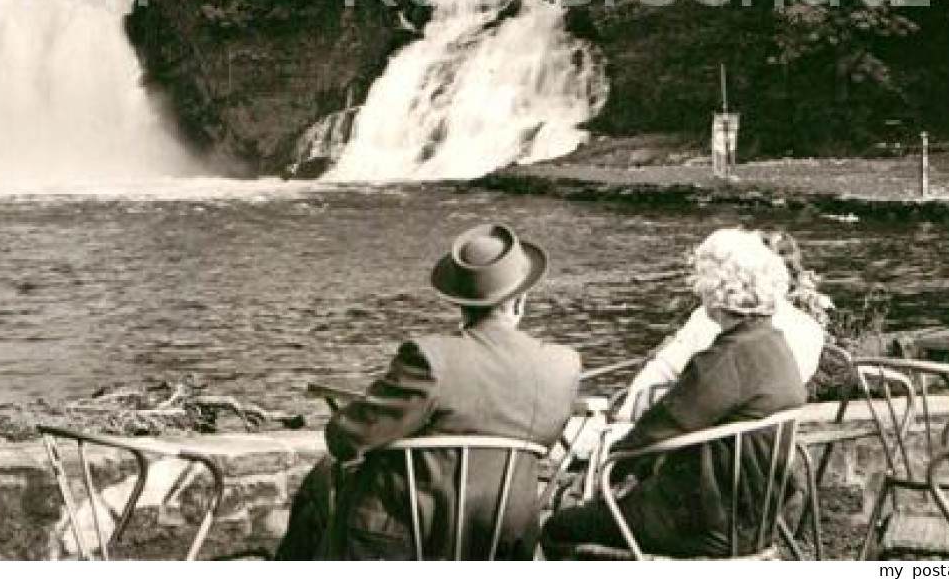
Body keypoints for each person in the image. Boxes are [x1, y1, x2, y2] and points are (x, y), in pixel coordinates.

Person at [276, 224, 580, 560]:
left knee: (322, 478)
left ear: (459, 303)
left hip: (407, 539)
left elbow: (344, 439)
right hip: (503, 540)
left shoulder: (430, 358)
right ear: (521, 301)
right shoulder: (563, 366)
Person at [542, 229, 807, 559]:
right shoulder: (774, 345)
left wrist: (605, 472)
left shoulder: (724, 360)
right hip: (758, 520)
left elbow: (658, 428)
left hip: (704, 524)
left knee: (560, 528)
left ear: (716, 291)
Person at [615, 229, 827, 419]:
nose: (698, 290)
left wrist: (624, 422)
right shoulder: (792, 335)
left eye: (703, 283)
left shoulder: (724, 355)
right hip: (760, 442)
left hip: (709, 444)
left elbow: (671, 415)